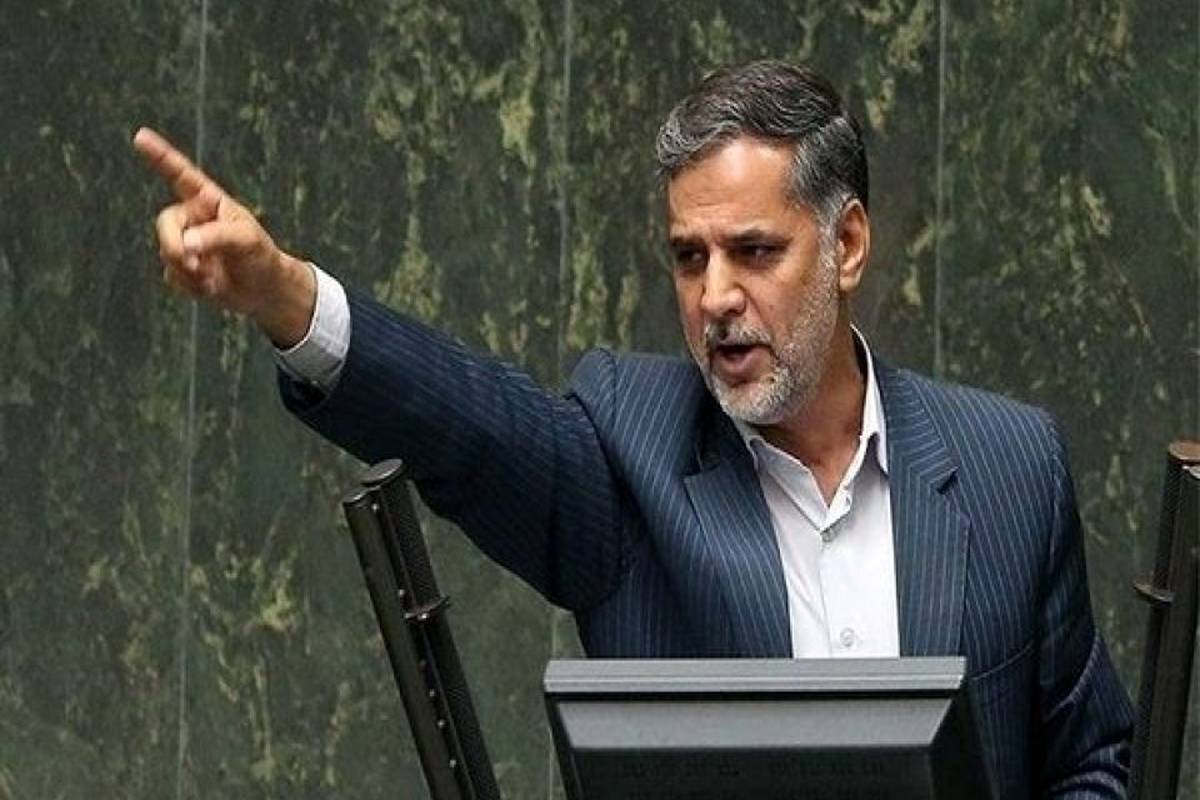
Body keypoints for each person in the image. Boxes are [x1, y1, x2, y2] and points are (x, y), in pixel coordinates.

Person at [135, 60, 1133, 798]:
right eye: (689, 257)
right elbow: (468, 425)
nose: (715, 297)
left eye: (754, 251)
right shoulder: (631, 446)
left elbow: (1091, 761)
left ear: (848, 244)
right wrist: (285, 295)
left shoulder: (1010, 464)